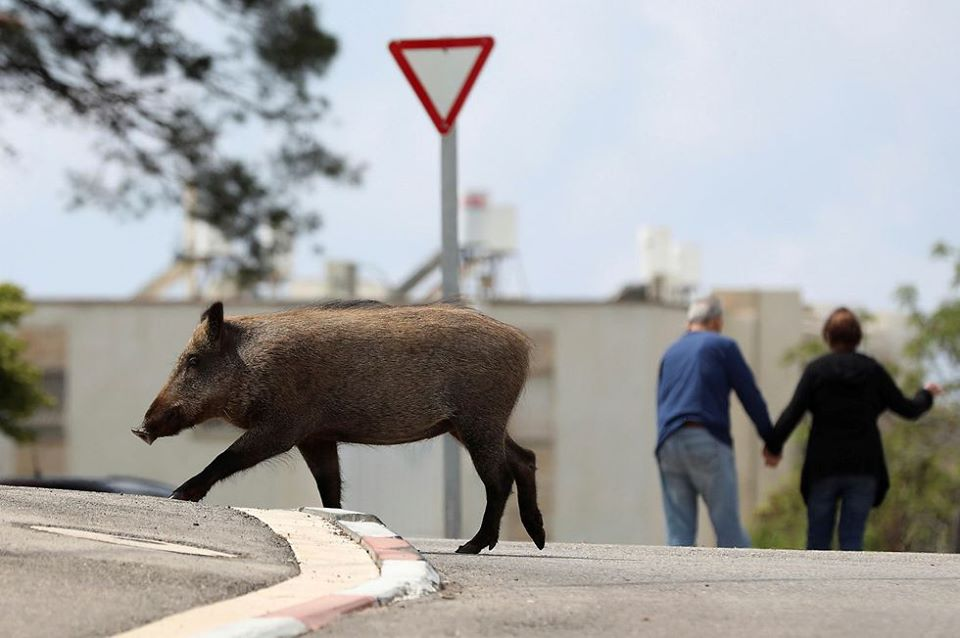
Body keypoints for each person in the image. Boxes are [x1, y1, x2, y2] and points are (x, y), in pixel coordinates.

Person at [764, 307, 942, 551]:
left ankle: (814, 589)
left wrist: (773, 448)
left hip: (823, 466)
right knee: (852, 541)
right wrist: (927, 395)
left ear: (828, 336)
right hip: (863, 467)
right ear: (858, 337)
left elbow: (793, 412)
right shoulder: (872, 370)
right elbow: (907, 409)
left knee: (817, 543)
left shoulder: (817, 370)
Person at [656, 296, 776, 547]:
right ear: (717, 321)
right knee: (728, 530)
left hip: (669, 443)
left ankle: (676, 586)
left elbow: (663, 401)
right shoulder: (723, 346)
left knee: (679, 535)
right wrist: (771, 441)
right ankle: (747, 586)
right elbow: (749, 395)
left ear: (690, 323)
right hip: (705, 439)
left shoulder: (670, 352)